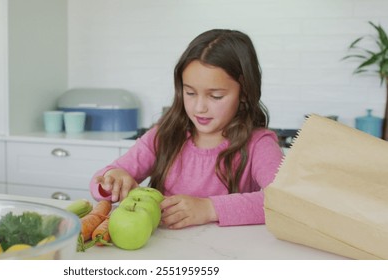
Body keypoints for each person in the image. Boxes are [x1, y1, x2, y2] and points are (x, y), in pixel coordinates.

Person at [89, 29, 284, 229]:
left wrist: (209, 208)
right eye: (190, 92)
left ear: (244, 92)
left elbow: (285, 202)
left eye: (215, 96)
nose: (199, 107)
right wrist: (113, 179)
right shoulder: (165, 135)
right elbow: (99, 182)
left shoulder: (259, 145)